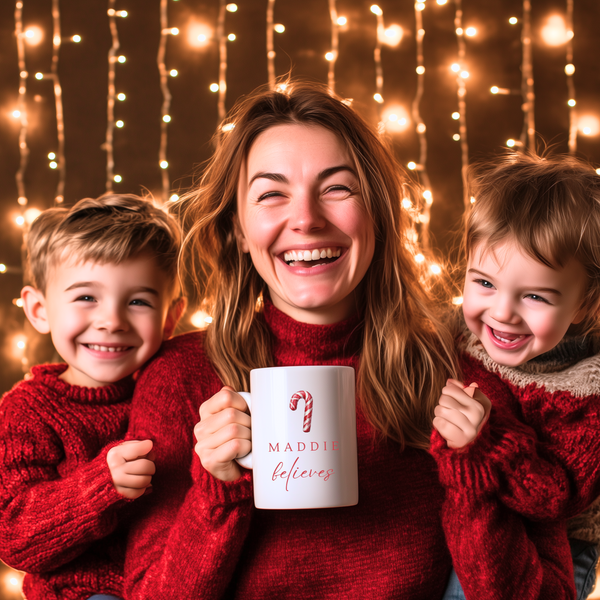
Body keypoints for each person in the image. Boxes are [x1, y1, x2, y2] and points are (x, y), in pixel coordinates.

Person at [122, 81, 575, 599]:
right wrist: (217, 490)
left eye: (338, 188)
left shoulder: (461, 372)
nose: (307, 219)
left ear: (378, 216)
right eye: (271, 194)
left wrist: (474, 477)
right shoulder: (181, 379)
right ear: (239, 232)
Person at [431, 153, 600, 600]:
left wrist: (488, 443)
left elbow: (557, 495)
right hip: (462, 530)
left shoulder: (589, 390)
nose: (502, 313)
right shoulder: (452, 340)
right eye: (484, 283)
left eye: (535, 296)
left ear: (583, 304)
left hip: (550, 551)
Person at [0, 194, 185, 600]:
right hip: (84, 592)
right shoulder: (26, 409)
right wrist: (101, 485)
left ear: (171, 317)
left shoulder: (171, 393)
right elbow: (14, 535)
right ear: (39, 308)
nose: (112, 321)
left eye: (138, 301)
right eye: (86, 297)